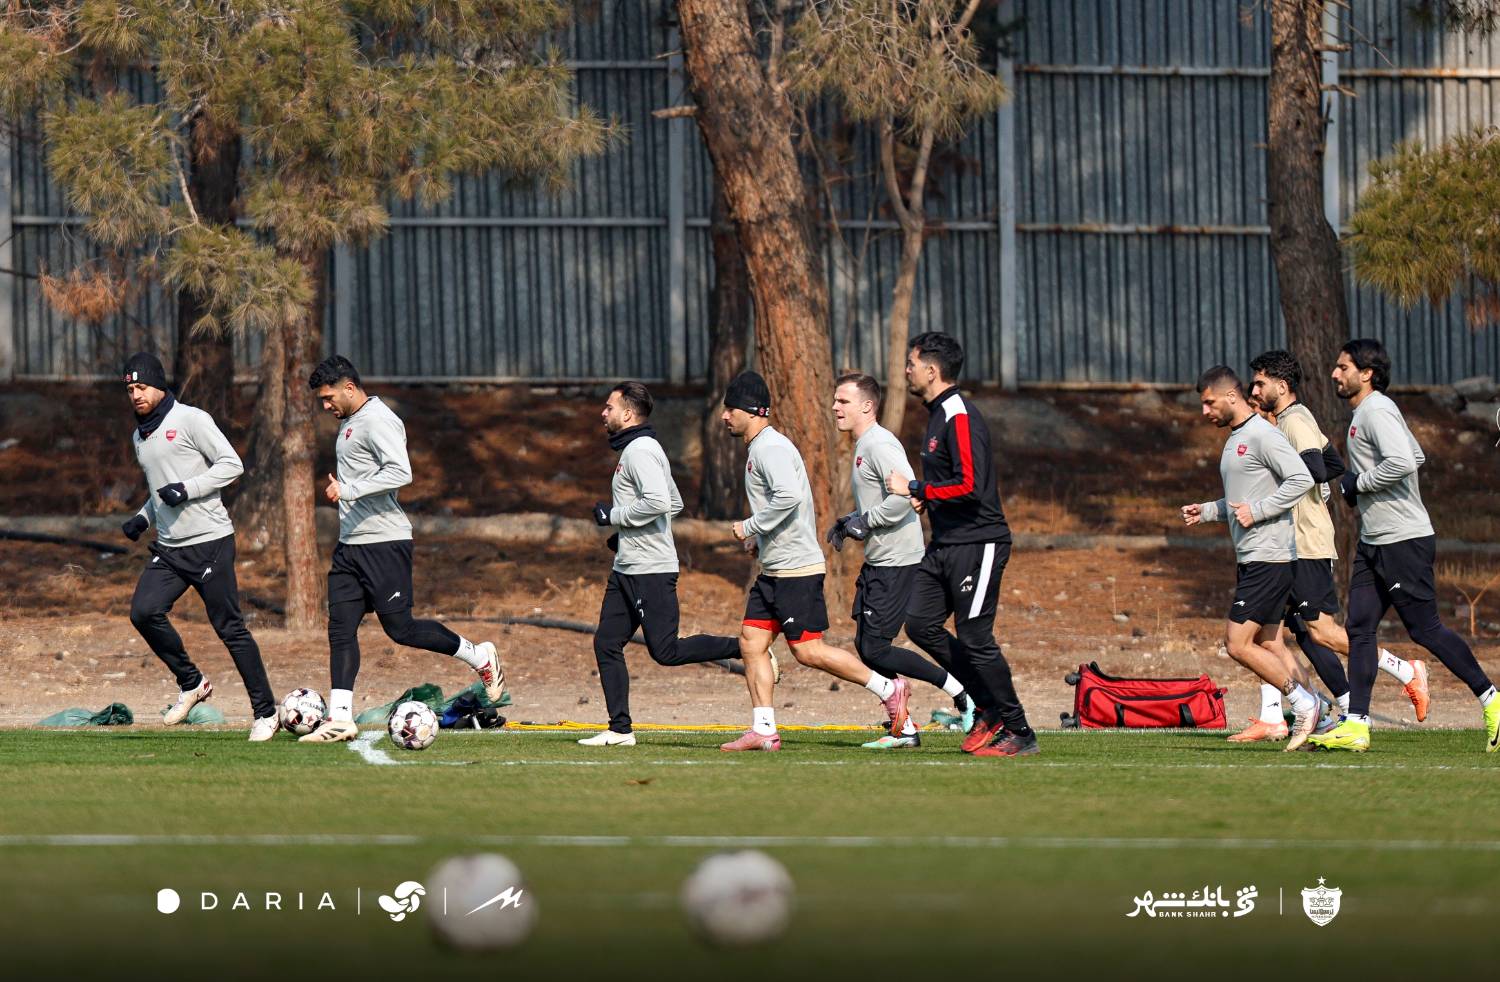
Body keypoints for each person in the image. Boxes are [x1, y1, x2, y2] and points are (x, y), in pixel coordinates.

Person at [297, 356, 504, 743]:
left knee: (401, 629)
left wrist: (350, 489)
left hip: (384, 542)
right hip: (350, 545)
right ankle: (340, 718)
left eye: (328, 397)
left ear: (349, 388)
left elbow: (400, 471)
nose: (325, 406)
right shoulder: (350, 422)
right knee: (340, 628)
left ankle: (479, 656)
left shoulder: (379, 419)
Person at [1311, 340, 1499, 753]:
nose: (1335, 374)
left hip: (1402, 540)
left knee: (1424, 629)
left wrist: (1356, 484)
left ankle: (1492, 699)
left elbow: (1404, 461)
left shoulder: (1376, 410)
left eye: (1343, 367)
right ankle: (1357, 726)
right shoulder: (1369, 412)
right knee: (1359, 628)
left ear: (1367, 374)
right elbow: (1416, 453)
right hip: (1375, 541)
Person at [1234, 350, 1428, 743]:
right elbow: (1334, 467)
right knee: (1269, 634)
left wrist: (1280, 489)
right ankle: (1289, 713)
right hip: (1284, 544)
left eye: (1259, 384)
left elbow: (1317, 469)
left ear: (1281, 386)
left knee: (1320, 632)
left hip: (1304, 543)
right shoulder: (1286, 422)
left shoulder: (1296, 420)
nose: (1253, 391)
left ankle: (1403, 672)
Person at [718, 371, 911, 752]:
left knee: (808, 651)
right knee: (751, 643)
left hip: (796, 570)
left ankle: (888, 689)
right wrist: (761, 538)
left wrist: (750, 526)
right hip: (774, 569)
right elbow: (782, 503)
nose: (725, 416)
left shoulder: (770, 448)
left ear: (752, 412)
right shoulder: (759, 448)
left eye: (730, 409)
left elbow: (788, 496)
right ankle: (764, 730)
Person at [885, 333, 1037, 758]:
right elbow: (951, 482)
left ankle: (1019, 729)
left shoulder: (958, 414)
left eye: (912, 364)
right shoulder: (937, 414)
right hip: (945, 544)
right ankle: (987, 705)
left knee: (975, 638)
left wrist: (916, 487)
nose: (906, 371)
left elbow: (971, 485)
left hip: (978, 542)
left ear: (932, 370)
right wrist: (928, 496)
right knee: (920, 624)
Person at [119, 352, 279, 741]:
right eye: (130, 389)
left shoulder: (191, 419)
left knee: (229, 628)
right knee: (143, 612)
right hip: (170, 549)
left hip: (210, 542)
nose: (136, 395)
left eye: (142, 387)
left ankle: (266, 712)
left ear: (159, 385)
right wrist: (144, 517)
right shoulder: (140, 436)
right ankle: (192, 682)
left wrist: (188, 489)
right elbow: (162, 488)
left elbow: (232, 465)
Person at [578, 381, 742, 747]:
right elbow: (674, 502)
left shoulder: (640, 450)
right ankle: (620, 730)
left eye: (609, 407)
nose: (603, 413)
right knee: (606, 642)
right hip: (627, 567)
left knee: (666, 651)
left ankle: (743, 646)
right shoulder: (639, 448)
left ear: (627, 414)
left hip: (650, 570)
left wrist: (613, 516)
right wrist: (627, 536)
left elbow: (658, 502)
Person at [828, 372, 974, 748]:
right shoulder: (864, 444)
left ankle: (961, 693)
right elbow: (880, 500)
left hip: (898, 561)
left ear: (867, 406)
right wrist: (850, 520)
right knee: (867, 645)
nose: (835, 407)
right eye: (835, 400)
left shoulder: (879, 444)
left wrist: (866, 521)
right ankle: (905, 727)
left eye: (843, 401)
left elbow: (905, 496)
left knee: (875, 648)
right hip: (880, 559)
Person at [1180, 365, 1321, 751]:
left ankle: (1303, 703)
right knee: (1271, 643)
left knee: (1237, 643)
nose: (1205, 411)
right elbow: (1241, 501)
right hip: (1254, 557)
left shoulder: (1262, 433)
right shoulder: (1236, 438)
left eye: (1209, 402)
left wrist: (1258, 512)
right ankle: (1320, 717)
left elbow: (1302, 478)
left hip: (1269, 557)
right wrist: (1207, 511)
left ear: (1231, 396)